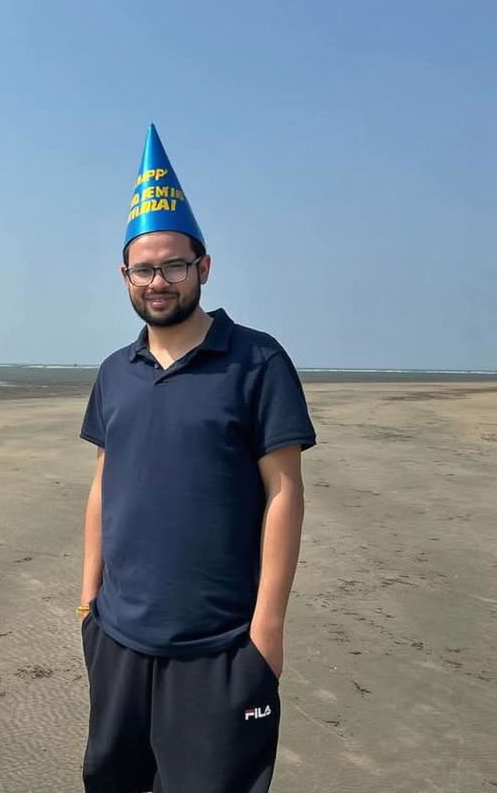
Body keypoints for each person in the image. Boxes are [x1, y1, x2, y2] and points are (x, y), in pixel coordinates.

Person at [78, 124, 316, 793]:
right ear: (125, 276)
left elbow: (285, 493)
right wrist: (86, 605)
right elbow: (104, 484)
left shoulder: (258, 362)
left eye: (173, 265)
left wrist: (267, 631)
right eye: (144, 268)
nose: (159, 281)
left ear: (202, 268)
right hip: (119, 639)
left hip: (221, 647)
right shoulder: (113, 372)